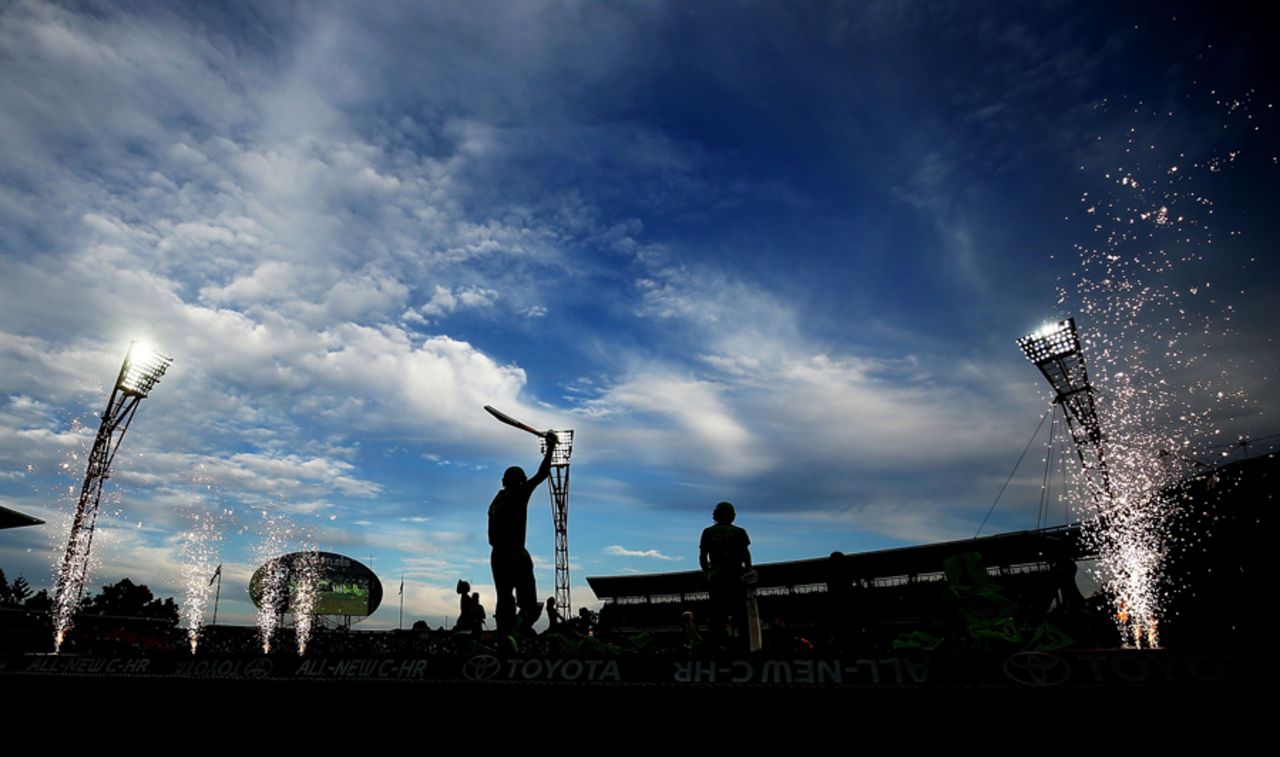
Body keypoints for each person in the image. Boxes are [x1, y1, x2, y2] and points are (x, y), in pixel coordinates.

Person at [488, 431, 557, 636]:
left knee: (504, 599)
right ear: (519, 480)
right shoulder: (518, 493)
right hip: (515, 553)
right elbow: (542, 475)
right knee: (528, 604)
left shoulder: (497, 499)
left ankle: (505, 634)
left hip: (497, 555)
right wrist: (551, 447)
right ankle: (518, 631)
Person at [699, 501, 752, 647]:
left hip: (716, 577)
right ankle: (743, 644)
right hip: (736, 575)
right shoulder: (740, 532)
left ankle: (717, 645)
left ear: (715, 515)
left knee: (717, 614)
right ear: (733, 516)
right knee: (739, 613)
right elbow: (746, 555)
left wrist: (707, 573)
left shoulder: (707, 532)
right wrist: (748, 570)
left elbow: (703, 556)